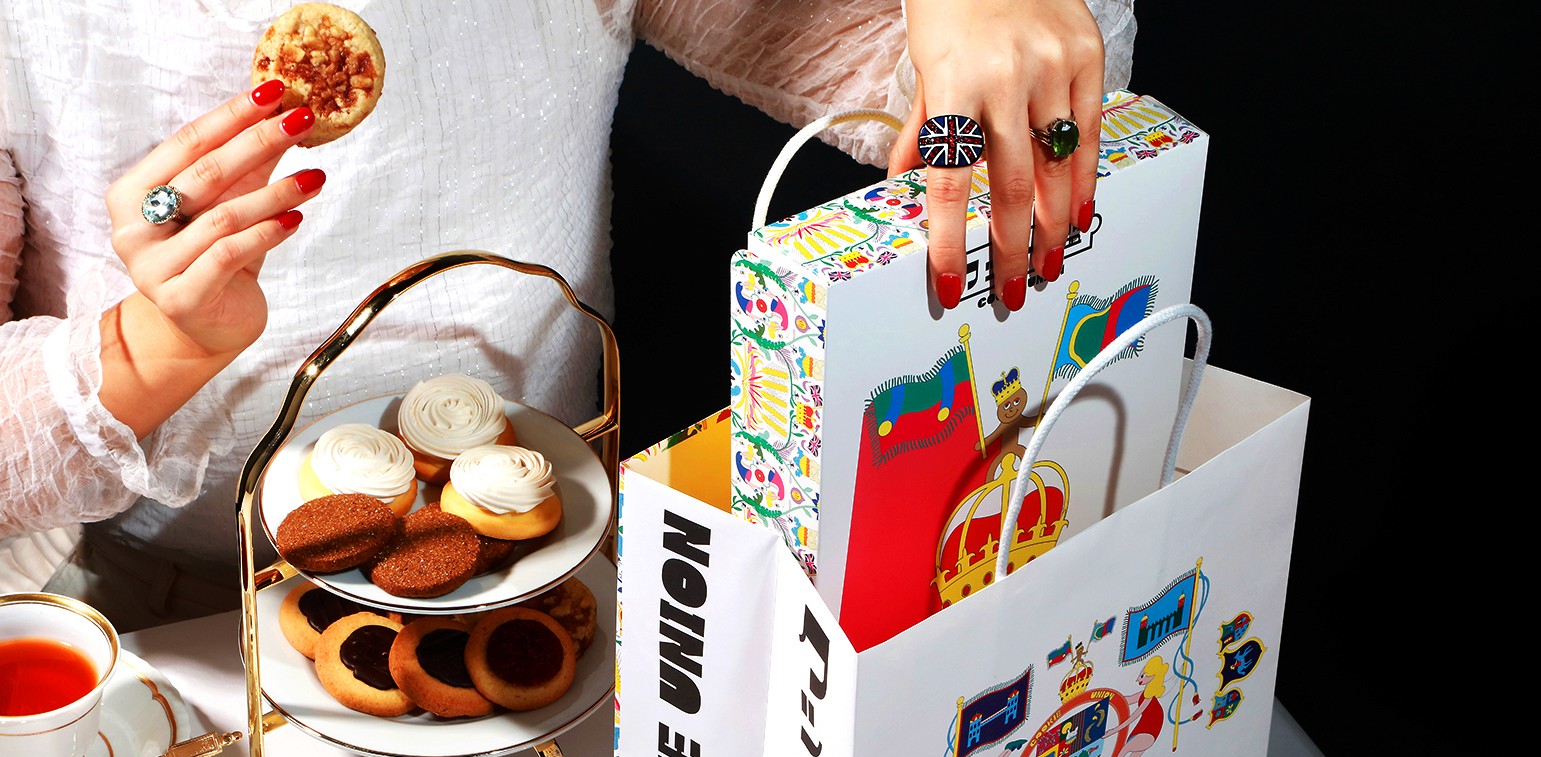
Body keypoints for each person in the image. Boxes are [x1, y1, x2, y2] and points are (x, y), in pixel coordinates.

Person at [2, 0, 1136, 630]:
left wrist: (983, 19)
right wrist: (154, 348)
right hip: (172, 627)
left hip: (547, 571)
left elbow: (956, 102)